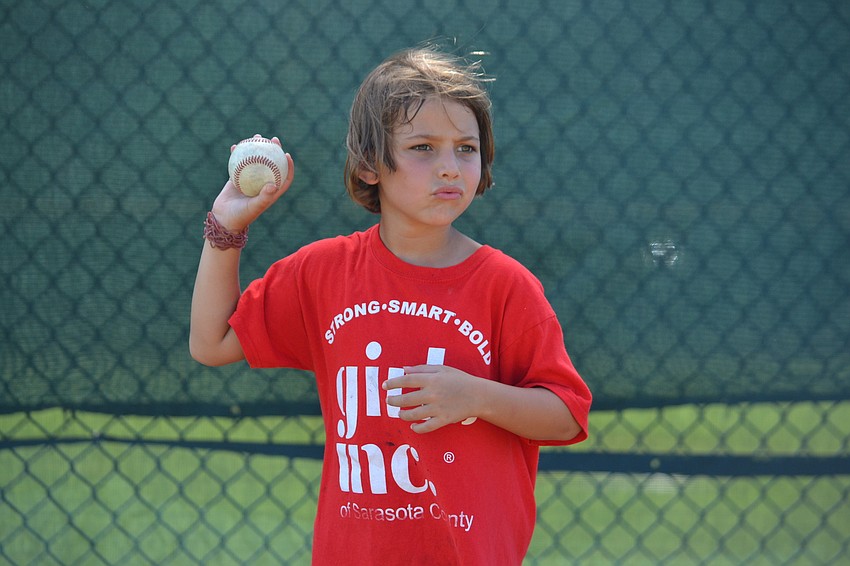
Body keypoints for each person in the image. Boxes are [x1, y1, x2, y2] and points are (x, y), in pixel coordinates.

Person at [190, 46, 592, 565]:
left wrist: (475, 396)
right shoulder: (324, 272)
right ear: (369, 166)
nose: (450, 168)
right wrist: (228, 225)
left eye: (466, 149)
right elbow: (212, 342)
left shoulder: (506, 286)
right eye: (423, 147)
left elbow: (566, 415)